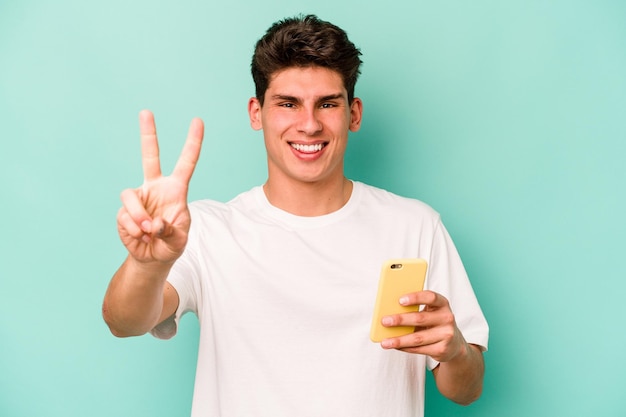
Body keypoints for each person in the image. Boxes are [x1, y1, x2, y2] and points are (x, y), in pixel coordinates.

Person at [102, 14, 489, 417]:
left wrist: (458, 350)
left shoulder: (415, 226)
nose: (309, 124)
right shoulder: (205, 230)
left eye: (327, 104)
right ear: (257, 113)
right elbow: (123, 322)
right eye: (288, 104)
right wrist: (149, 265)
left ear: (353, 114)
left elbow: (466, 389)